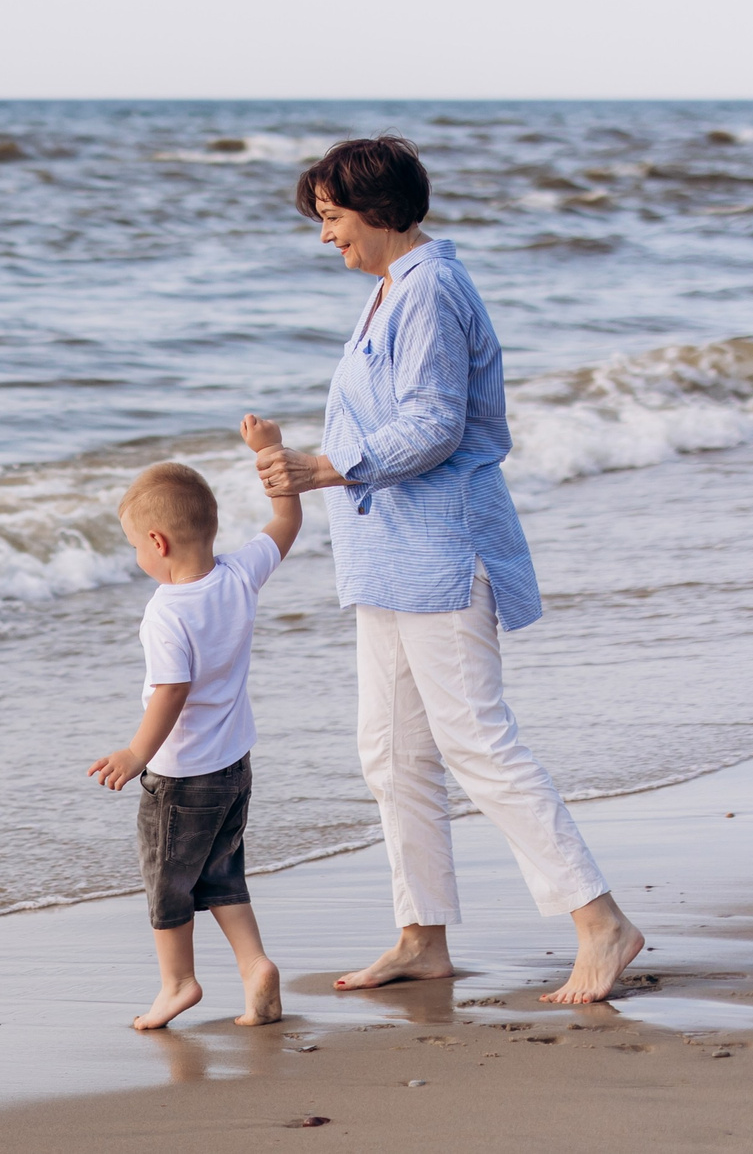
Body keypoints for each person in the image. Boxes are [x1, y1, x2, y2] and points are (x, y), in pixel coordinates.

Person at [251, 135, 643, 1005]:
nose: (326, 238)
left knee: (475, 737)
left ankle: (600, 920)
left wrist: (327, 466)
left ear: (380, 209)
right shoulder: (392, 288)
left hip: (439, 550)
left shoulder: (432, 287)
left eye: (333, 218)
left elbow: (433, 421)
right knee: (391, 752)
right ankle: (421, 935)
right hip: (388, 553)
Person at [88, 421, 302, 1030]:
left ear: (157, 542)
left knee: (168, 883)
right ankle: (255, 964)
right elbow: (287, 524)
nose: (136, 556)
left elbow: (171, 692)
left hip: (181, 778)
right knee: (221, 872)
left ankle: (178, 983)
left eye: (134, 546)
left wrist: (135, 754)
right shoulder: (238, 576)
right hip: (235, 766)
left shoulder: (165, 614)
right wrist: (269, 455)